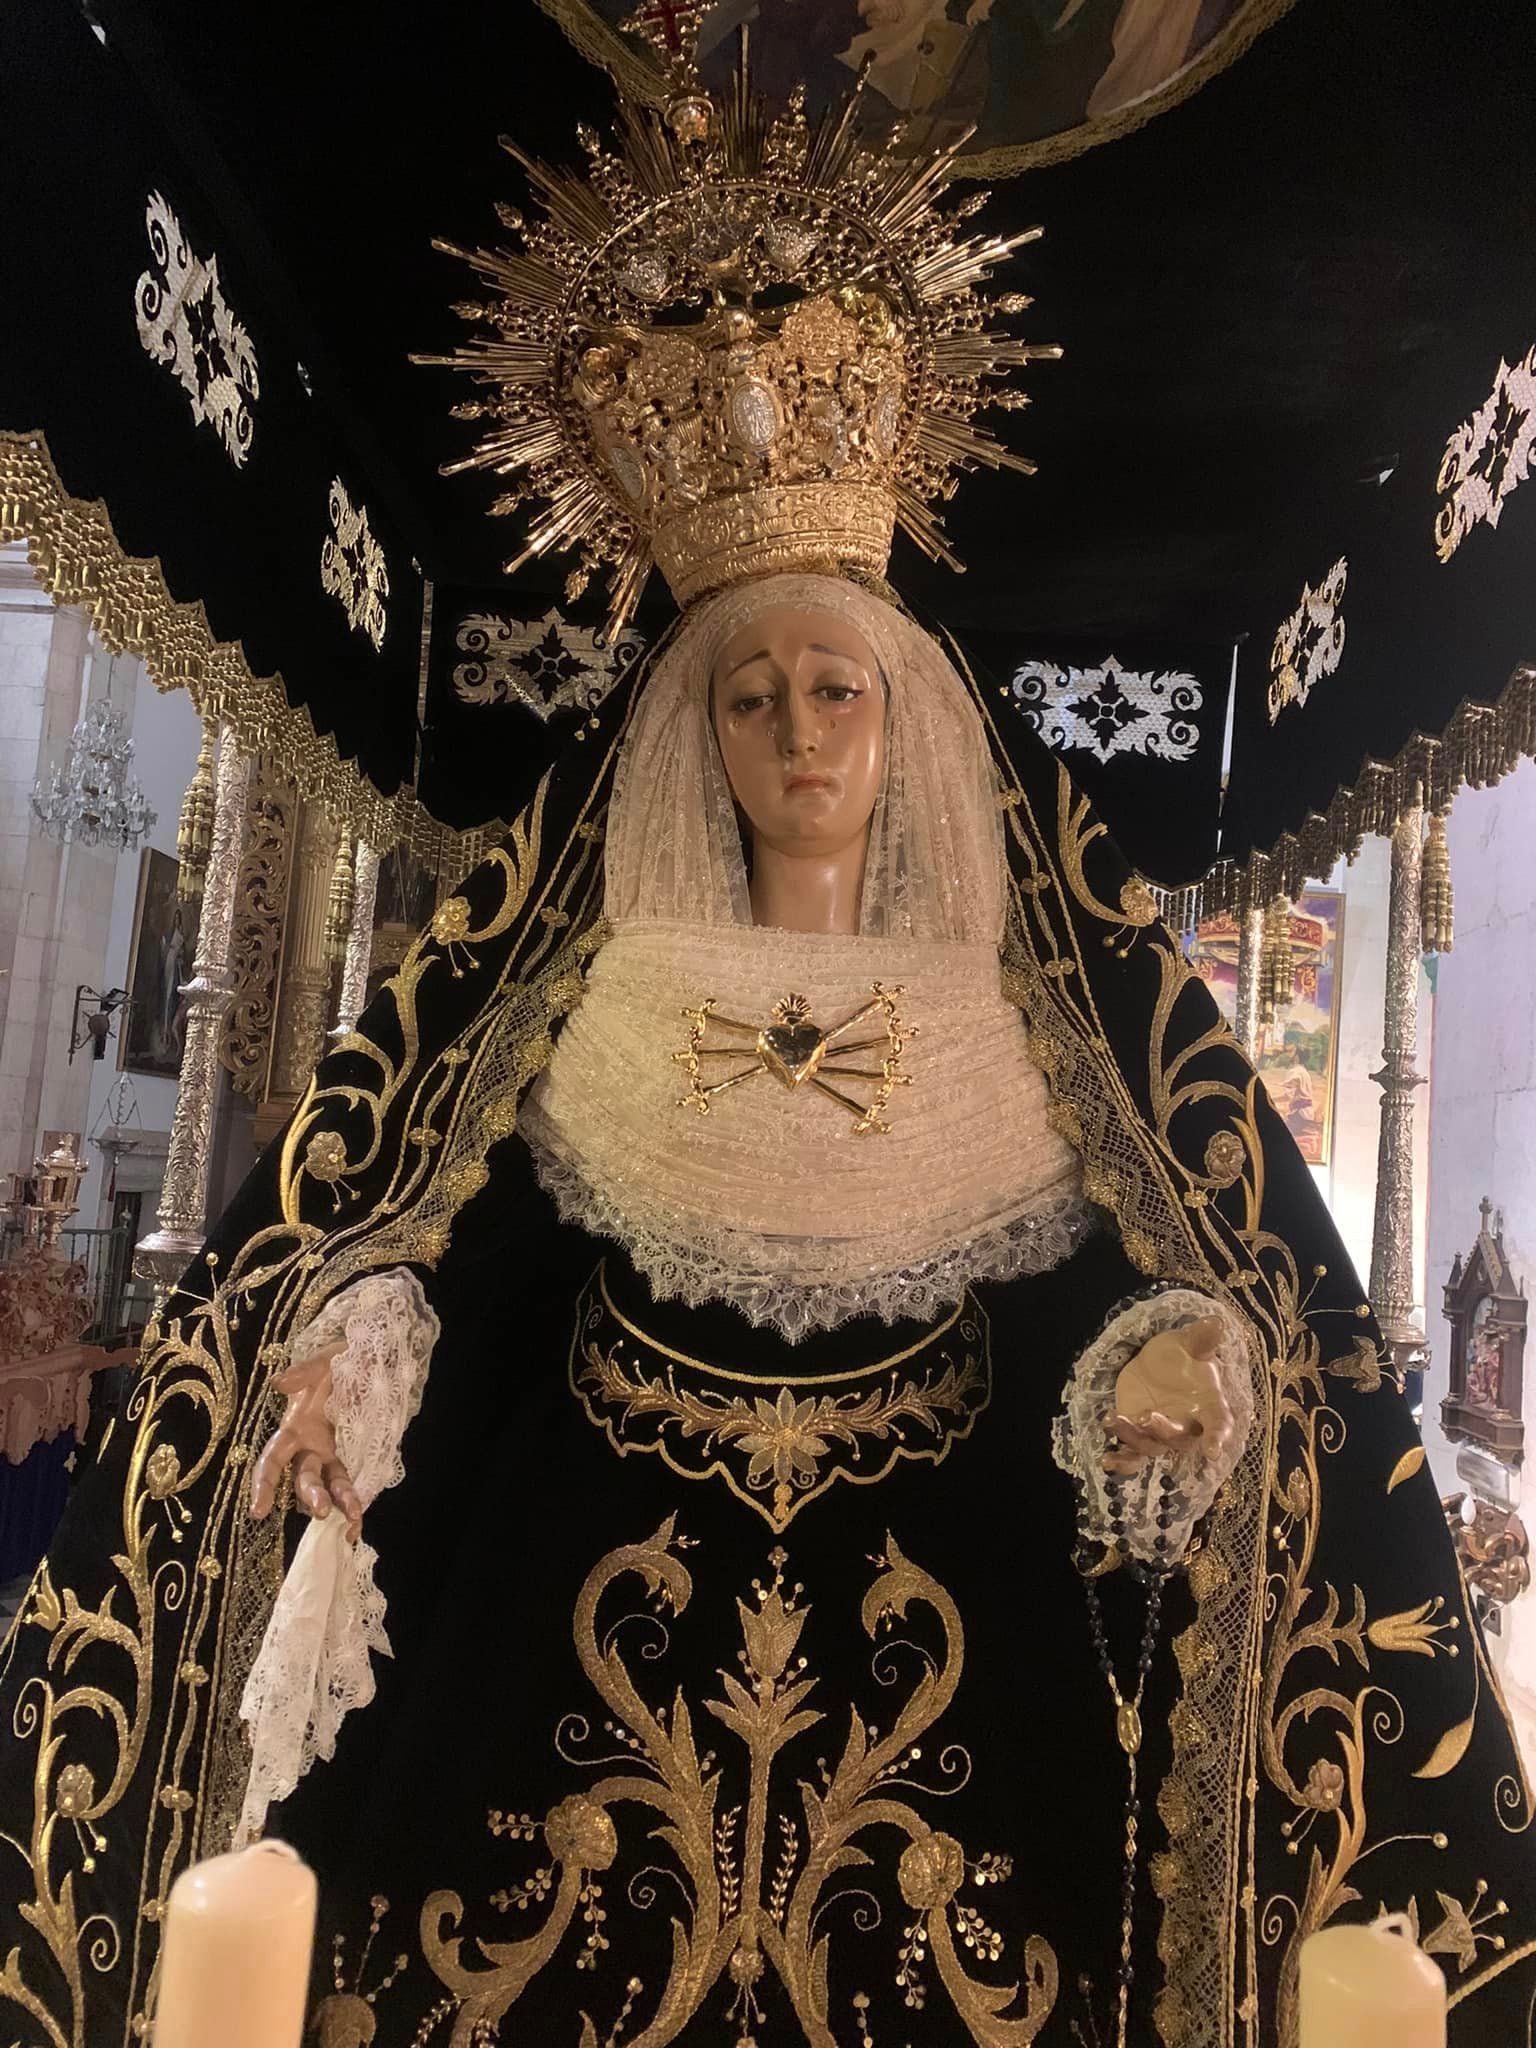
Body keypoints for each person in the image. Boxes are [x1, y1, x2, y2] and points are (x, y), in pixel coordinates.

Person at [1, 44, 1530, 2048]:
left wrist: (1175, 1373)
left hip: (969, 1802)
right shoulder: (581, 1008)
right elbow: (430, 1251)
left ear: (903, 722)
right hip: (555, 1746)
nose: (802, 739)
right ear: (687, 739)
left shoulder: (1028, 1039)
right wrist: (357, 1353)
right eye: (749, 699)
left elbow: (1162, 1324)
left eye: (835, 689)